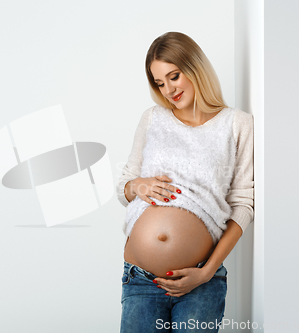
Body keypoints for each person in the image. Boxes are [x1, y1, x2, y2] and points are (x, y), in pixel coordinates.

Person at [116, 31, 254, 333]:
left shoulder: (237, 124)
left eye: (174, 76)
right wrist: (138, 186)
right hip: (140, 279)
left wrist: (206, 272)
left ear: (194, 67)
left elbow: (243, 206)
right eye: (159, 83)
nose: (168, 89)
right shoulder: (153, 118)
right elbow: (124, 186)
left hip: (200, 283)